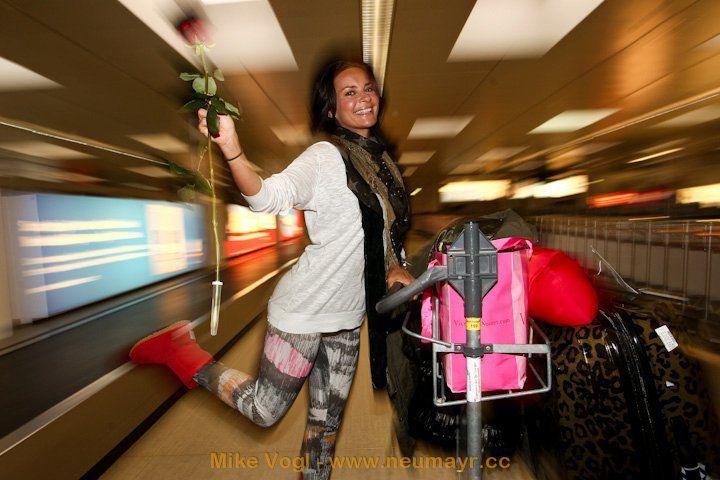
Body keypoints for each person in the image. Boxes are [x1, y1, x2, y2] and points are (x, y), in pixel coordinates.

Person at [129, 59, 413, 480]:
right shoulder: (326, 157)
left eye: (368, 88)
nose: (363, 98)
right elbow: (267, 197)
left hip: (348, 318)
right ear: (332, 108)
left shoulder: (383, 165)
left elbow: (385, 236)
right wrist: (232, 149)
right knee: (264, 410)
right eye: (349, 92)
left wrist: (396, 267)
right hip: (303, 311)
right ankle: (180, 351)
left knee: (325, 428)